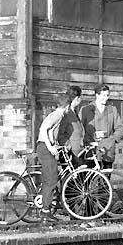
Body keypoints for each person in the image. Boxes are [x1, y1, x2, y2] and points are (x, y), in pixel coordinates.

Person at [35, 86, 83, 219]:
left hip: (46, 147)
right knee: (51, 179)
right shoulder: (57, 115)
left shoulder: (58, 115)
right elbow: (43, 128)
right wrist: (50, 147)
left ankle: (46, 208)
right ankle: (45, 211)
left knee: (50, 178)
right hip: (45, 148)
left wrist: (59, 145)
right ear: (67, 106)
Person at [80, 85, 123, 167]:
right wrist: (85, 141)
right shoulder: (86, 110)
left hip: (107, 151)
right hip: (91, 151)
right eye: (103, 95)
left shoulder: (112, 110)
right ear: (97, 95)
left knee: (105, 177)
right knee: (90, 178)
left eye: (107, 95)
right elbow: (80, 129)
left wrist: (112, 140)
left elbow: (120, 128)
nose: (106, 98)